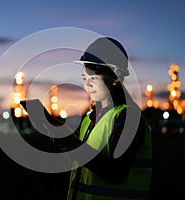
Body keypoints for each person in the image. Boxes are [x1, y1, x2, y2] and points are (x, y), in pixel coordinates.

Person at [58, 37, 153, 200]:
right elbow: (84, 171)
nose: (88, 85)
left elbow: (116, 172)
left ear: (115, 78)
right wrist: (67, 148)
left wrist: (74, 145)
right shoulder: (89, 121)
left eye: (94, 78)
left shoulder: (128, 118)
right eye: (84, 78)